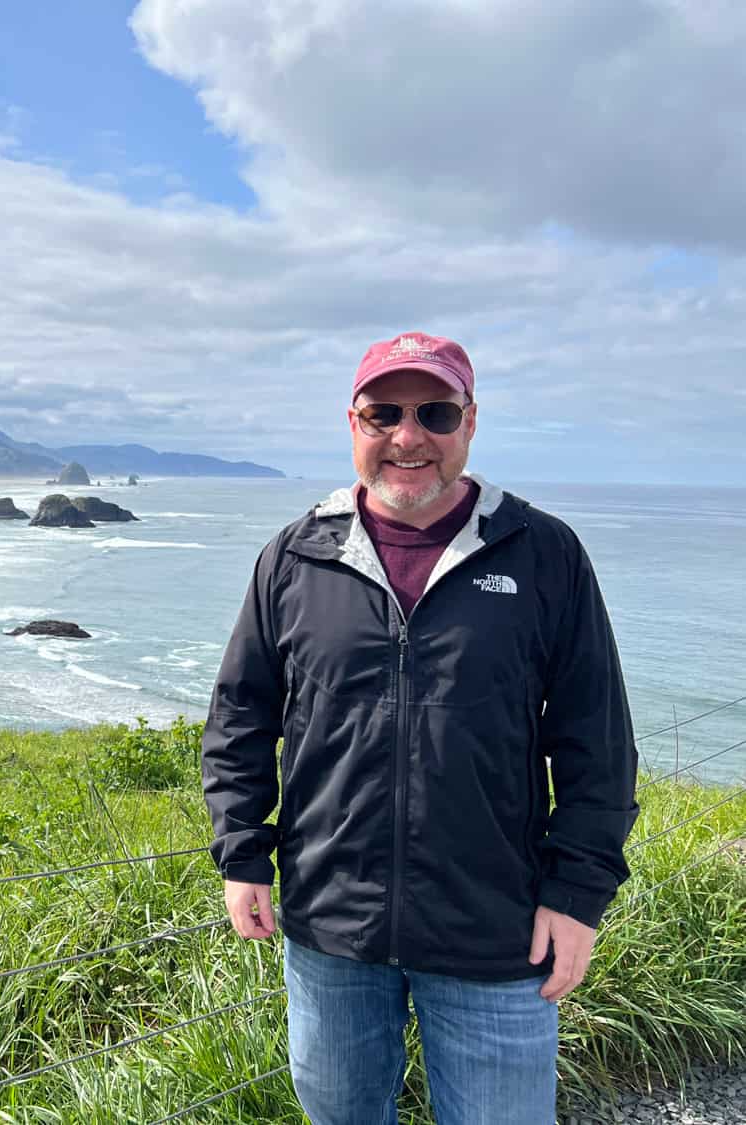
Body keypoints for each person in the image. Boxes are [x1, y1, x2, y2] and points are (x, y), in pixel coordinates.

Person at [201, 331, 638, 1124]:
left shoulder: (543, 553)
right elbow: (239, 714)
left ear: (470, 423)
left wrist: (578, 894)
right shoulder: (297, 556)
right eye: (384, 413)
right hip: (331, 930)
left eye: (434, 412)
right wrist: (243, 855)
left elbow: (596, 739)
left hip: (496, 933)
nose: (409, 437)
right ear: (354, 423)